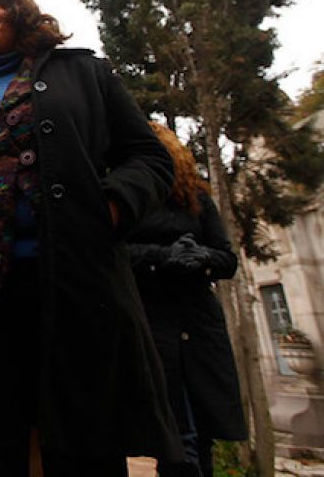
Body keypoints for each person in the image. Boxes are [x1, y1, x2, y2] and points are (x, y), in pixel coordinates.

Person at [0, 0, 184, 475]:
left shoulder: (85, 75)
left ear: (19, 11)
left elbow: (148, 158)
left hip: (76, 295)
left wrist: (113, 206)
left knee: (82, 448)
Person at [128, 122, 248, 477]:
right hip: (154, 324)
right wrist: (160, 256)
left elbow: (226, 259)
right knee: (176, 438)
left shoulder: (197, 199)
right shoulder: (134, 202)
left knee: (200, 435)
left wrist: (202, 257)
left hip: (197, 325)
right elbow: (118, 254)